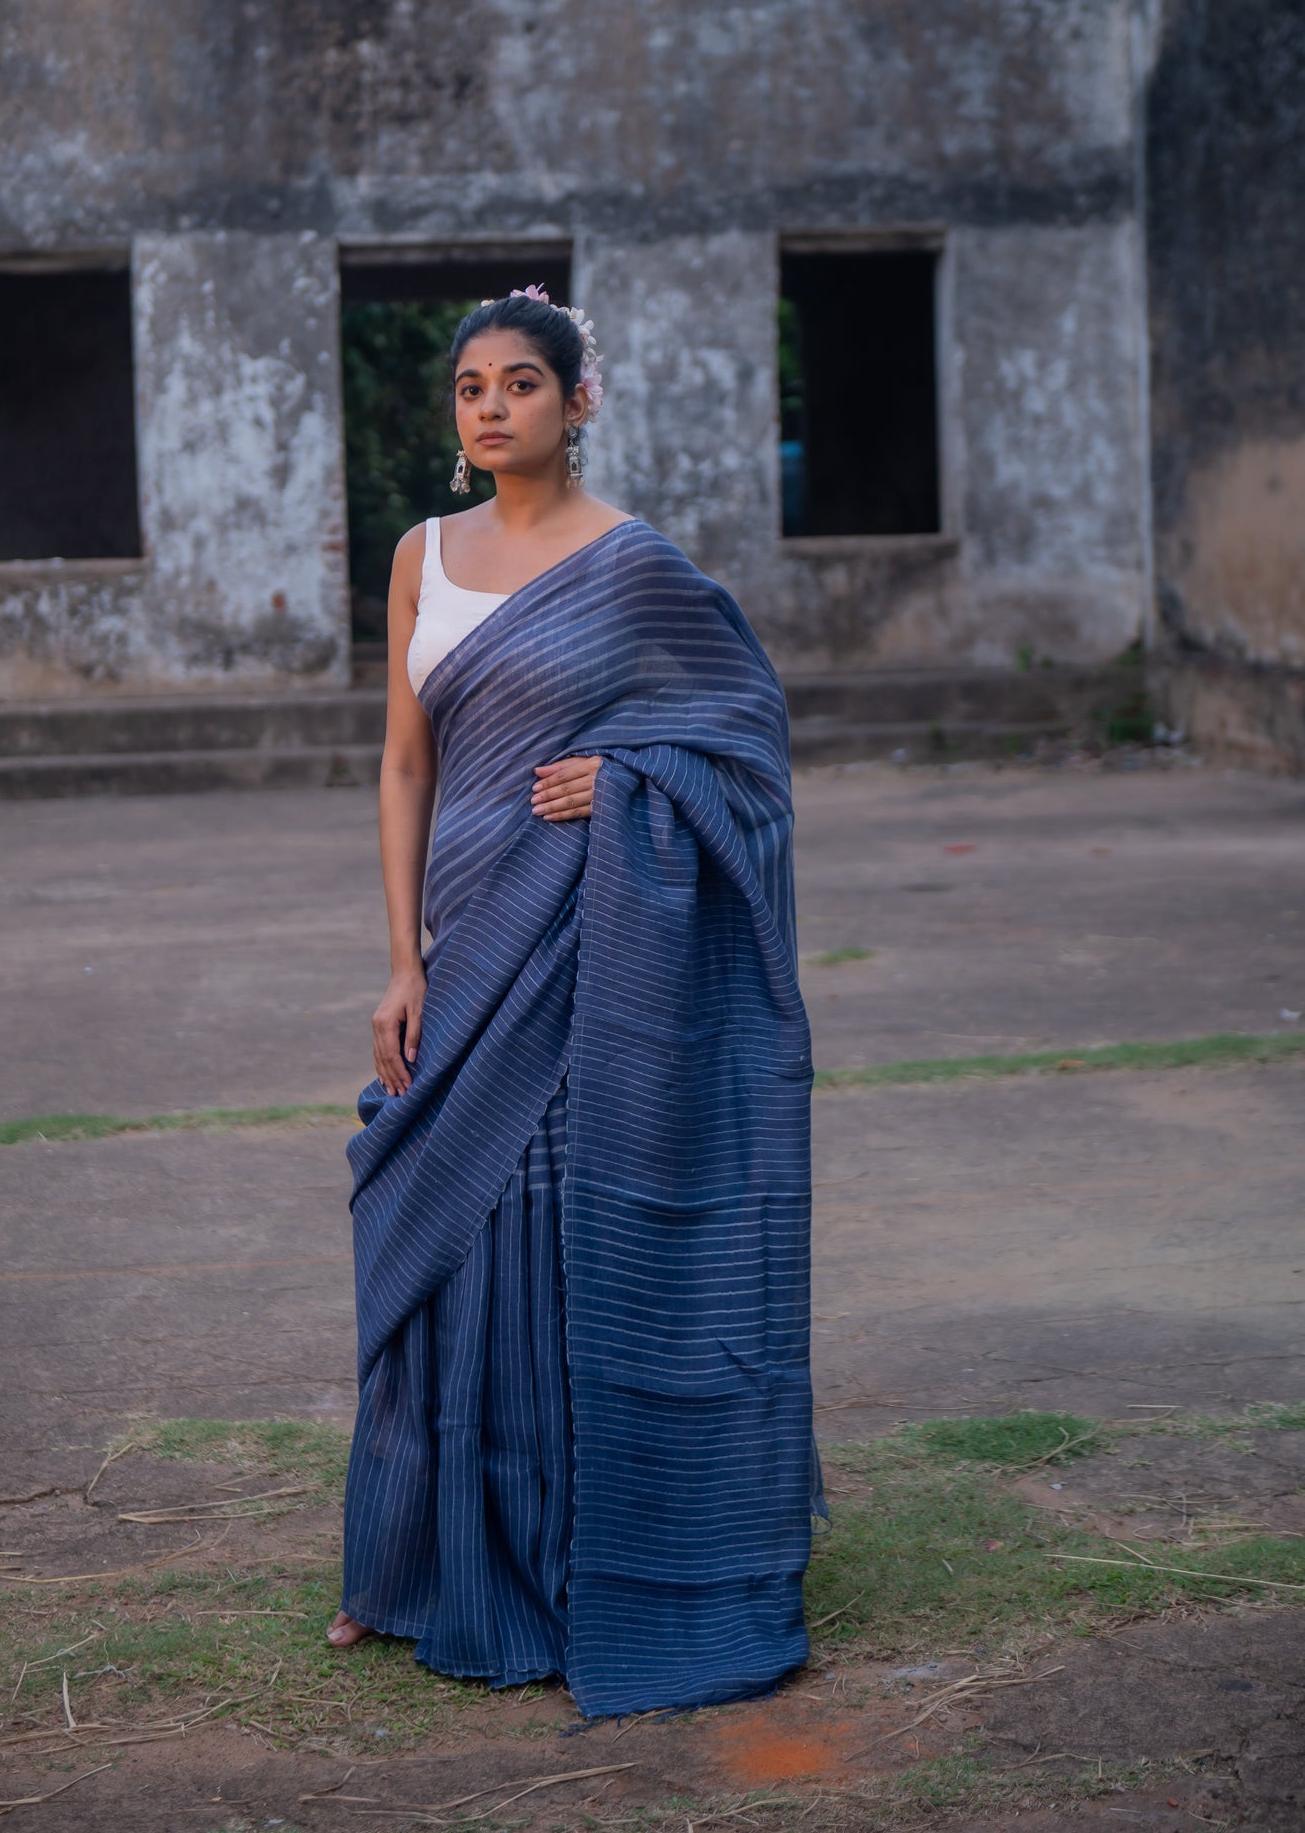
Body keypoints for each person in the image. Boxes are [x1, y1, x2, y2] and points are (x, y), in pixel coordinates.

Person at [329, 287, 819, 1717]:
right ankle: (412, 1565)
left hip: (587, 946)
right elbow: (403, 764)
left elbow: (744, 755)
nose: (491, 407)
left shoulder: (637, 568)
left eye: (521, 383)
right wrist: (405, 959)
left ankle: (570, 1566)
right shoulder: (423, 556)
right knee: (429, 1233)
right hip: (465, 942)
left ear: (576, 401)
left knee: (545, 1240)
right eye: (470, 386)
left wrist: (629, 782)